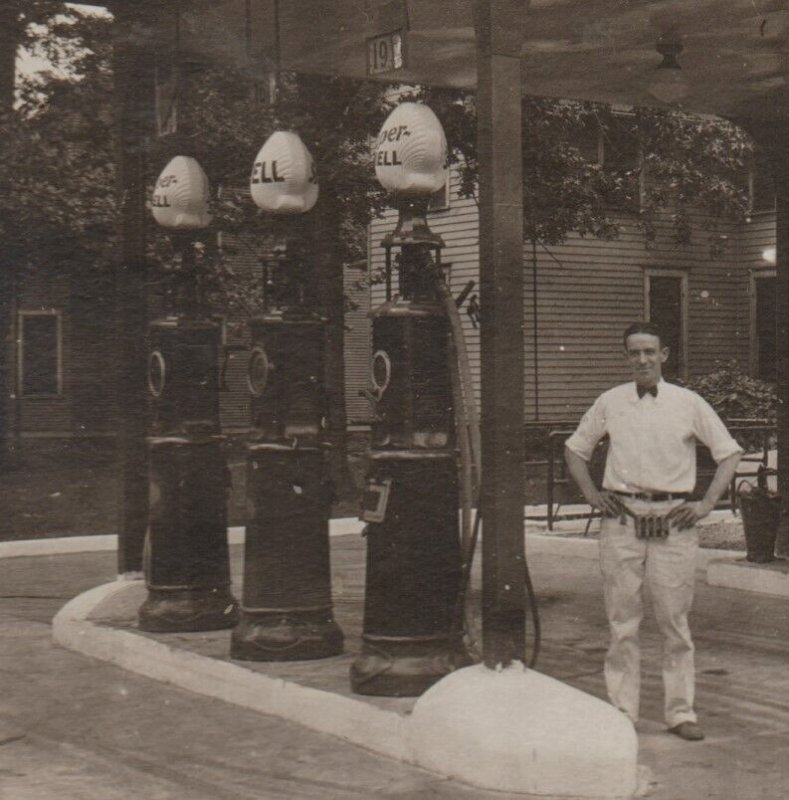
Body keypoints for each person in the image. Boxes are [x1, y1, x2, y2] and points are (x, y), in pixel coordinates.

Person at [564, 321, 742, 741]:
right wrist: (592, 494)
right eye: (634, 352)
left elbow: (729, 453)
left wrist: (704, 504)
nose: (642, 359)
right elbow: (574, 449)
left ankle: (680, 712)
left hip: (672, 521)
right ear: (626, 357)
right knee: (622, 620)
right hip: (622, 519)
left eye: (649, 352)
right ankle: (622, 711)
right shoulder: (611, 401)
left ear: (664, 355)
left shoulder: (688, 402)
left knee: (673, 621)